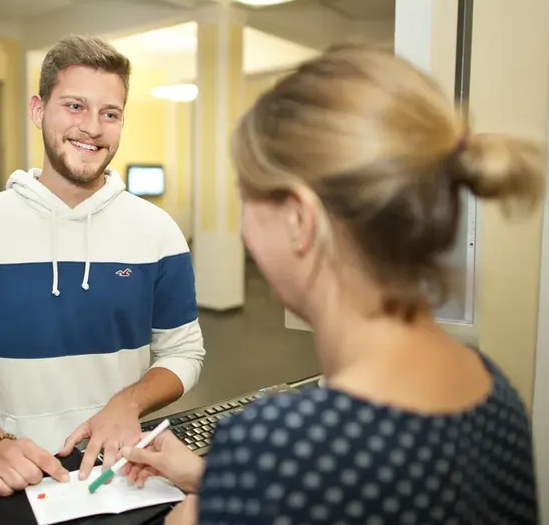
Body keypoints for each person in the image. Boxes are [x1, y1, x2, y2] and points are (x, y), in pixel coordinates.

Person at [118, 44, 543, 524]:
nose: (244, 230)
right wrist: (219, 480)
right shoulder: (491, 386)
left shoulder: (278, 448)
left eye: (247, 199)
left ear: (300, 218)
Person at [0, 35, 205, 496]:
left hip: (119, 474)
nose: (92, 127)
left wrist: (129, 401)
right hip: (5, 482)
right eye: (74, 106)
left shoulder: (159, 233)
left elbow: (183, 352)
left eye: (110, 113)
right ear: (38, 110)